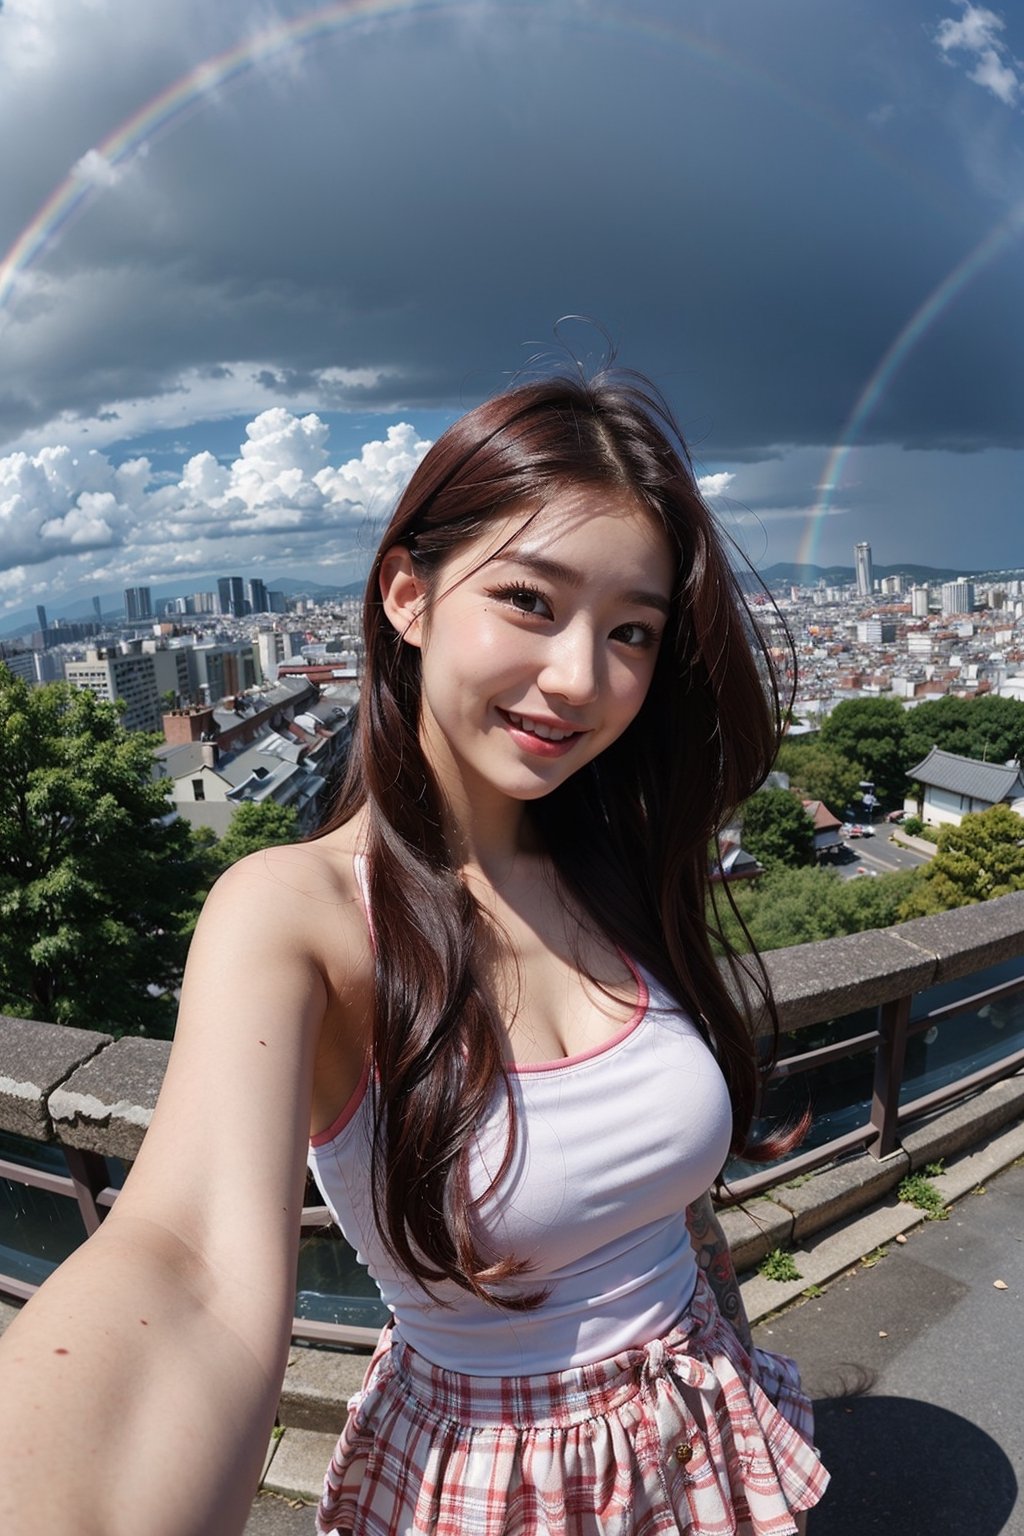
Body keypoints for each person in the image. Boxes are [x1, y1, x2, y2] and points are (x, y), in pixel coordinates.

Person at [0, 366, 828, 1536]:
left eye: (631, 630)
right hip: (499, 1486)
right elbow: (183, 1262)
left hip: (704, 1438)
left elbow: (665, 1210)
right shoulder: (297, 913)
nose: (582, 679)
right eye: (531, 602)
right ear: (408, 594)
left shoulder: (620, 868)